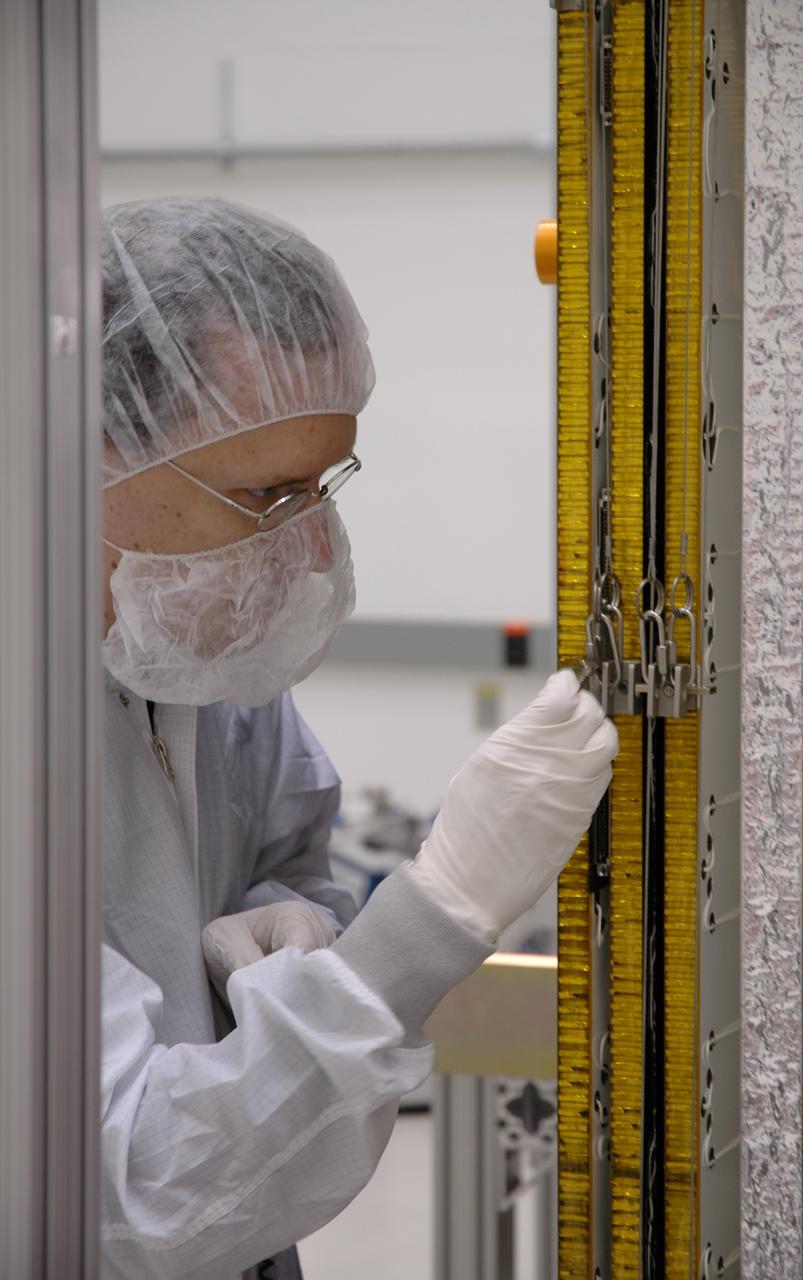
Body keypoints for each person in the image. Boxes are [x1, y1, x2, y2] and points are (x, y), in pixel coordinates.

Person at [99, 197, 618, 1280]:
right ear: (87, 450)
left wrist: (296, 920)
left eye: (322, 485)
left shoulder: (195, 652)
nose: (304, 546)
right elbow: (135, 1194)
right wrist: (428, 920)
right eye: (264, 494)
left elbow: (285, 849)